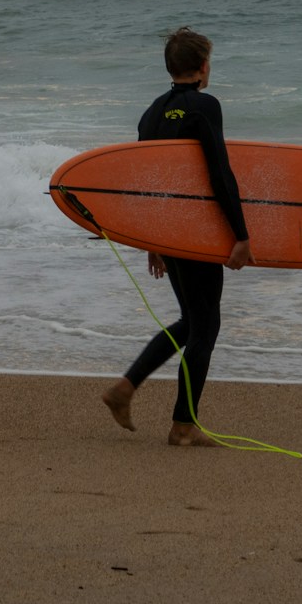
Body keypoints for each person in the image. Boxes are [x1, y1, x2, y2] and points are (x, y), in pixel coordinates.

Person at [101, 26, 251, 447]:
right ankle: (183, 424)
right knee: (205, 327)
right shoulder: (205, 106)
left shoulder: (150, 113)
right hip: (198, 232)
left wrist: (153, 238)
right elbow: (220, 174)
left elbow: (144, 180)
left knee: (192, 321)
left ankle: (125, 389)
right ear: (203, 67)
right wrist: (241, 234)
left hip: (169, 230)